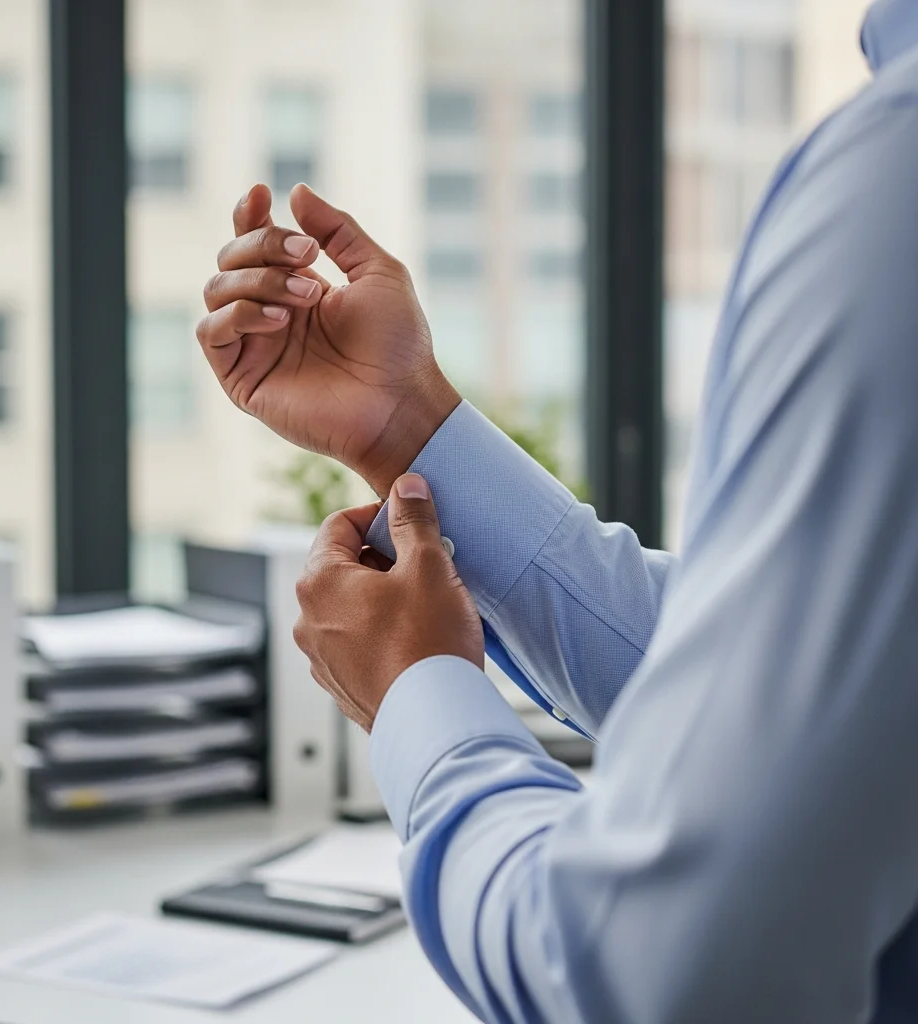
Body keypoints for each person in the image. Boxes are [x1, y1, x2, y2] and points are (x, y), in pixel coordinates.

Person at [195, 1, 918, 1019]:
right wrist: (404, 432)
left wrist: (421, 704)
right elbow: (796, 686)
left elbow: (654, 975)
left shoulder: (894, 178)